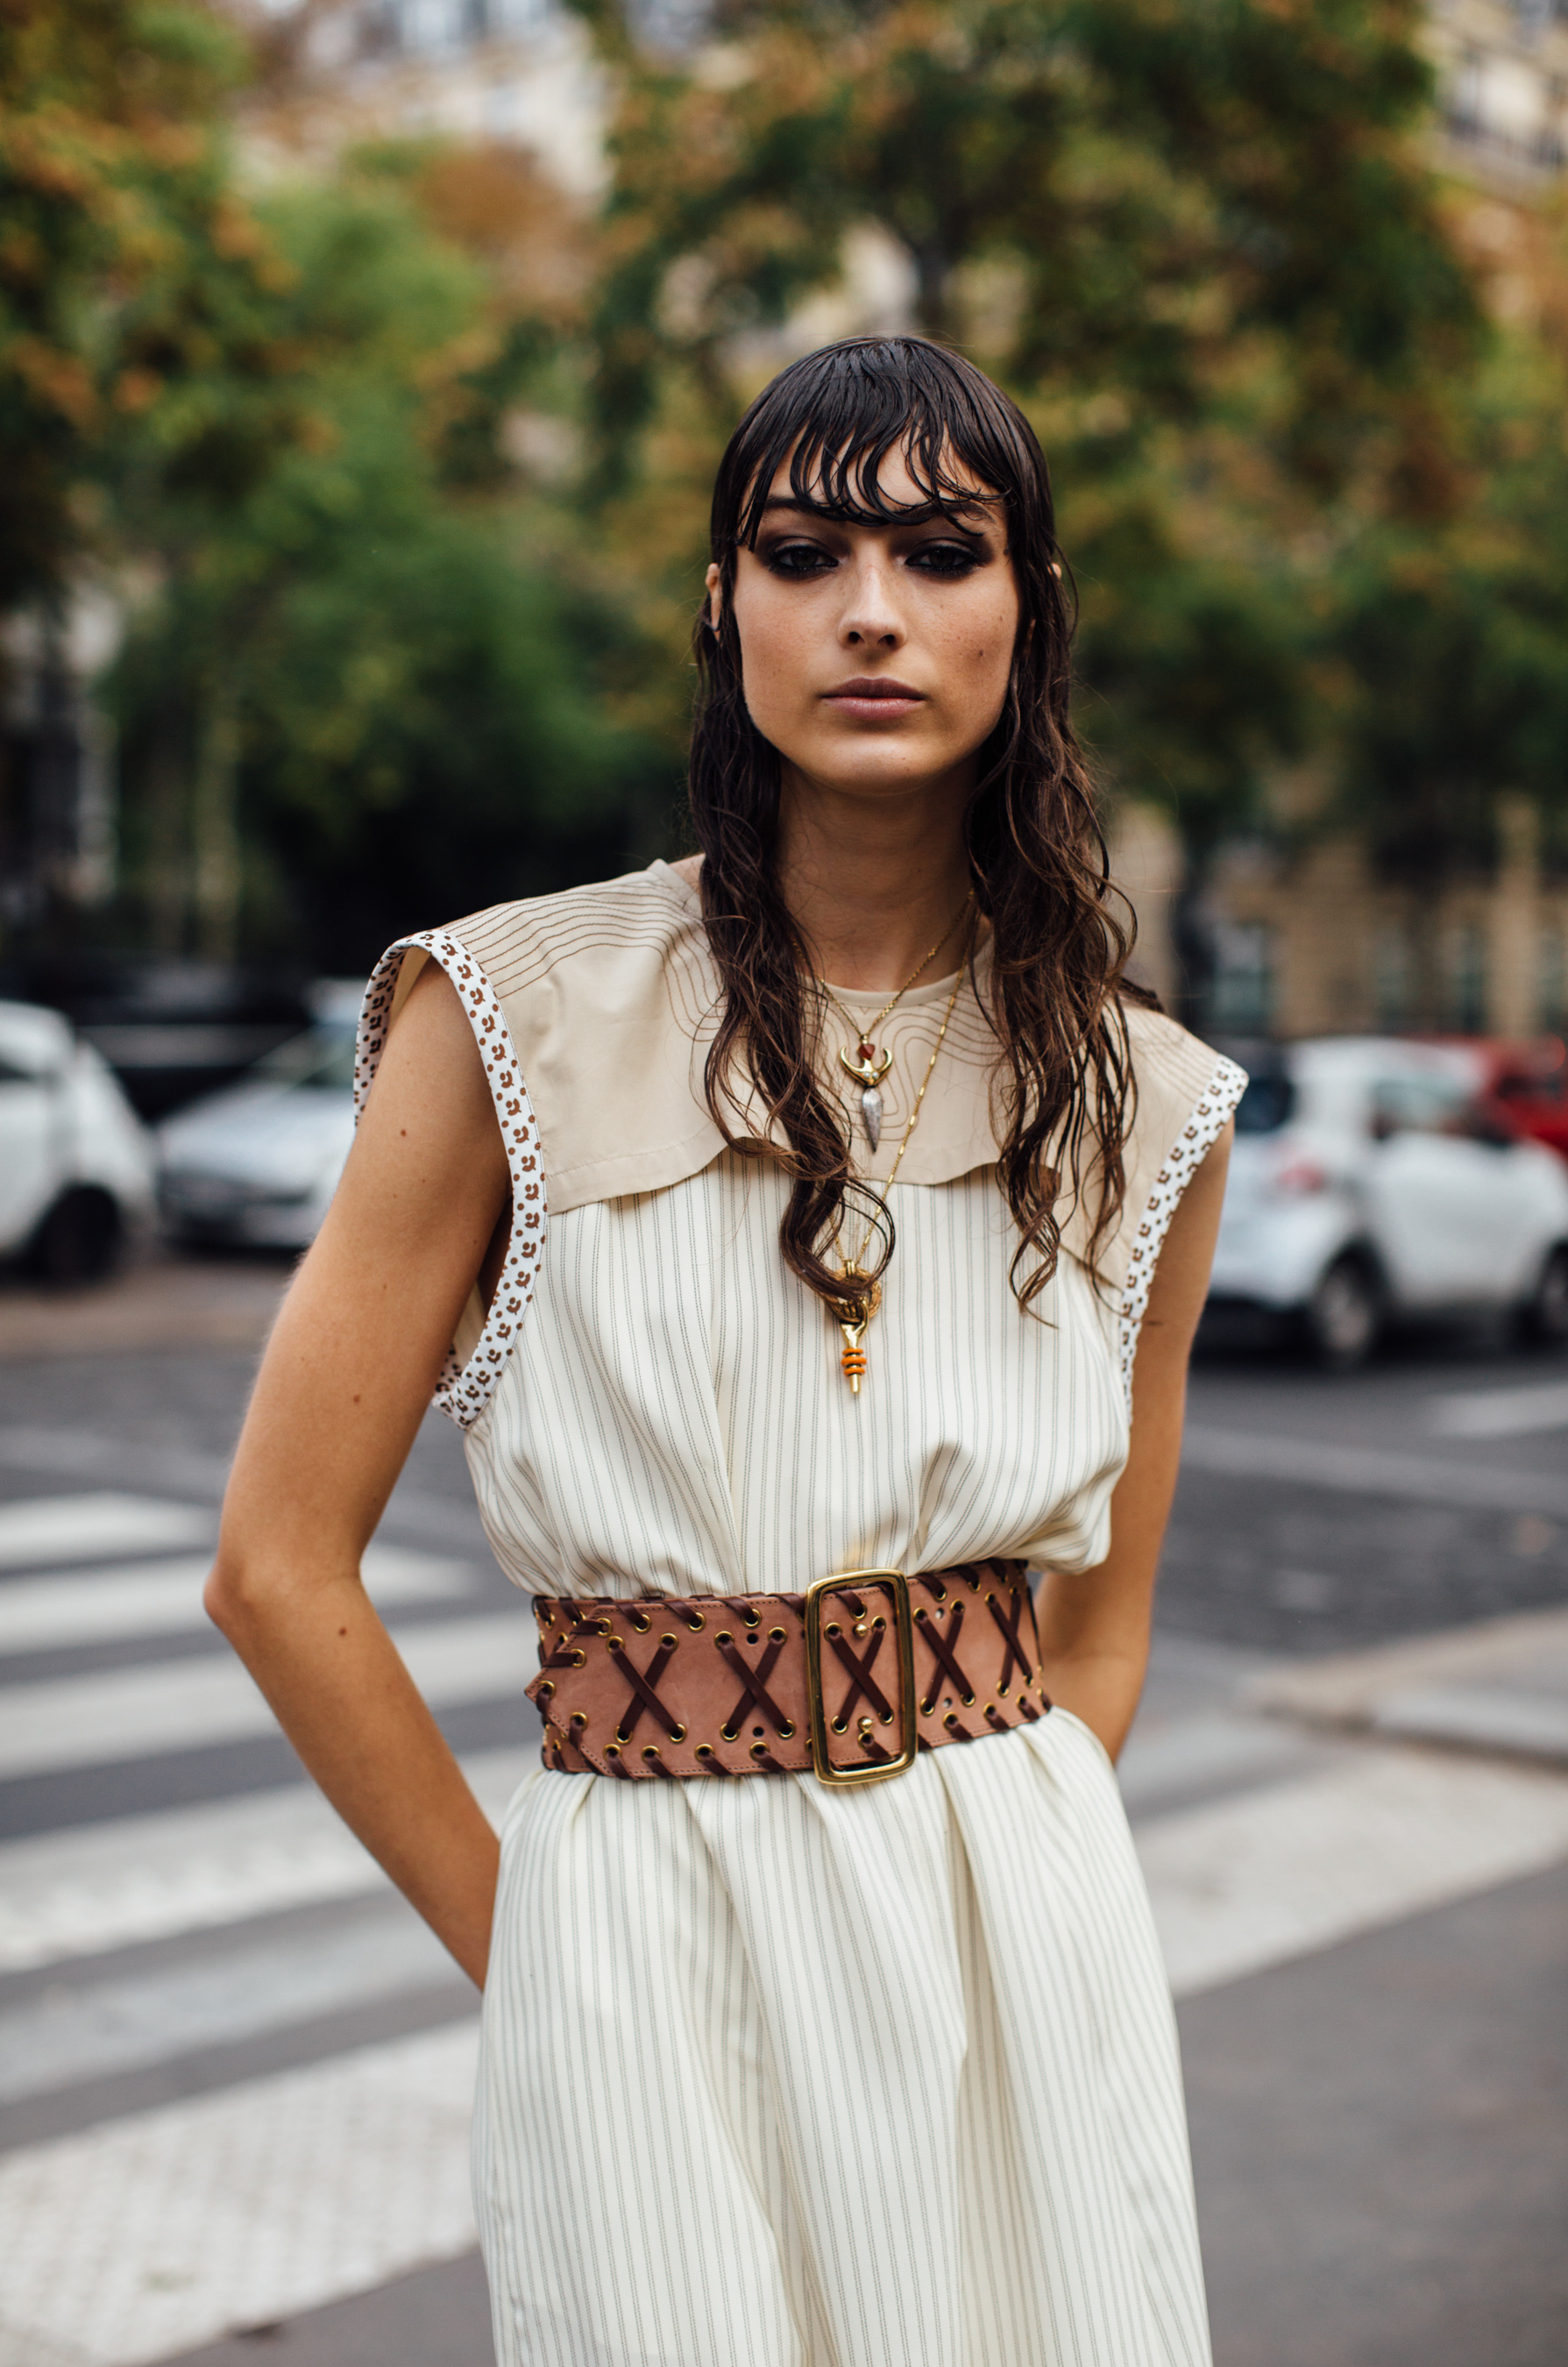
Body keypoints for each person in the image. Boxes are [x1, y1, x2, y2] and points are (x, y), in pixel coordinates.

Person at [209, 334, 1245, 2367]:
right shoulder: (507, 1013)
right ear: (722, 606)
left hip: (1019, 1949)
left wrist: (1006, 1887)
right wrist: (548, 1957)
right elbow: (275, 1568)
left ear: (1027, 612)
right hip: (636, 1937)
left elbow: (1097, 1635)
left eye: (944, 553)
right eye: (802, 552)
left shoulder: (1148, 1101)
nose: (871, 611)